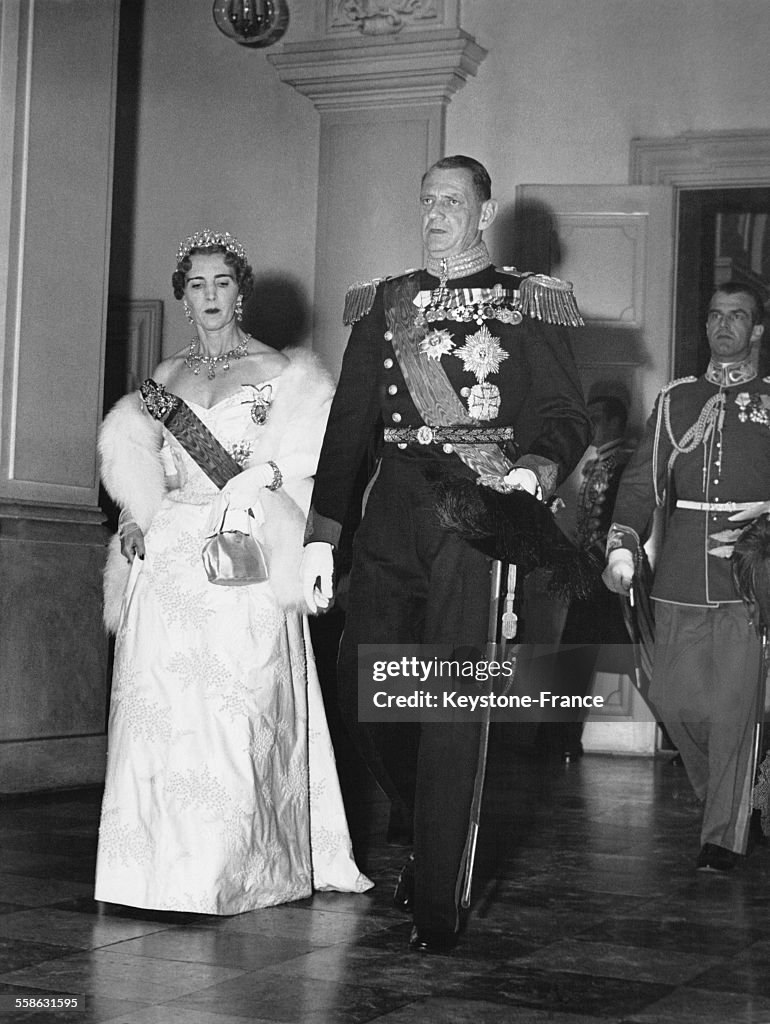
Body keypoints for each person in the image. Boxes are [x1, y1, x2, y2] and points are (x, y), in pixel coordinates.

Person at [301, 156, 590, 953]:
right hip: (393, 510)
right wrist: (324, 536)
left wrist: (535, 467)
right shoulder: (385, 306)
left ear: (485, 210)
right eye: (425, 199)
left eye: (451, 201)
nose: (433, 213)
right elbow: (347, 430)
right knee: (368, 686)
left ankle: (438, 898)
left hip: (476, 512)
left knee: (454, 704)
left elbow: (566, 413)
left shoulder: (528, 303)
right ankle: (425, 827)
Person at [94, 229, 372, 913]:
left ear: (240, 292)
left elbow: (314, 461)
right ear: (183, 297)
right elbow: (151, 468)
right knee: (156, 710)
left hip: (243, 547)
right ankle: (146, 872)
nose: (210, 296)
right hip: (168, 557)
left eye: (222, 282)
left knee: (232, 708)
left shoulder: (283, 371)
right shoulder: (164, 380)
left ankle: (228, 869)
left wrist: (259, 484)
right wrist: (133, 517)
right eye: (197, 284)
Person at [604, 280, 768, 872]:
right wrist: (622, 546)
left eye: (738, 317)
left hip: (751, 580)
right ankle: (741, 799)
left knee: (732, 710)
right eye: (715, 315)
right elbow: (641, 485)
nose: (724, 325)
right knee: (674, 701)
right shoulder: (676, 400)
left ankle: (721, 836)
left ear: (757, 330)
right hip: (676, 575)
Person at [537, 380, 636, 762]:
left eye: (596, 419)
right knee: (581, 656)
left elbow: (615, 520)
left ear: (614, 421)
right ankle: (557, 738)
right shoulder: (599, 462)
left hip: (606, 574)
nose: (590, 427)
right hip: (591, 575)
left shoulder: (624, 463)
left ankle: (557, 738)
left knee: (627, 657)